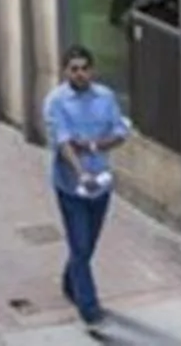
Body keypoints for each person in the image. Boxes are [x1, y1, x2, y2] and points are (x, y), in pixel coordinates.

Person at [43, 44, 130, 326]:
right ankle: (89, 309)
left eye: (84, 68)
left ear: (92, 70)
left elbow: (120, 132)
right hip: (71, 186)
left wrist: (93, 145)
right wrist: (81, 173)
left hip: (101, 183)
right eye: (74, 69)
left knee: (88, 244)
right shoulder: (56, 101)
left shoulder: (105, 97)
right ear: (66, 71)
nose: (80, 74)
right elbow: (65, 143)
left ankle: (71, 280)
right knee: (79, 244)